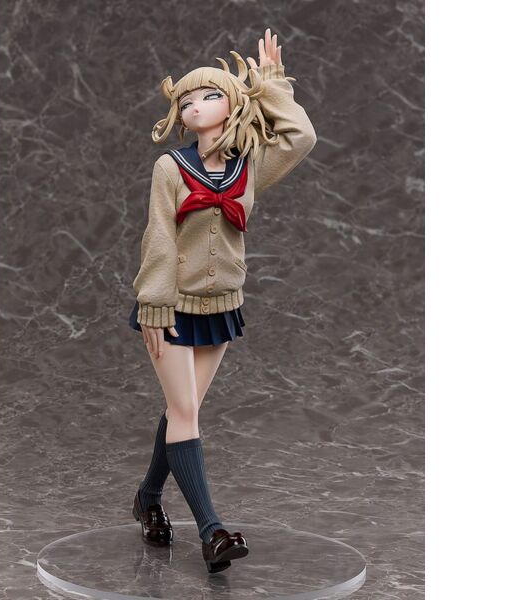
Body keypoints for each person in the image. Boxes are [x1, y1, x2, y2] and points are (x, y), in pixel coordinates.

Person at [129, 27, 317, 574]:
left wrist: (271, 83)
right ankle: (212, 532)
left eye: (209, 94)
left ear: (234, 102)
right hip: (170, 306)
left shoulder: (249, 164)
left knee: (183, 409)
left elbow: (301, 136)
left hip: (221, 306)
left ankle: (147, 498)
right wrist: (154, 300)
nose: (195, 105)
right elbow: (158, 235)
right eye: (185, 100)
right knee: (185, 411)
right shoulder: (171, 168)